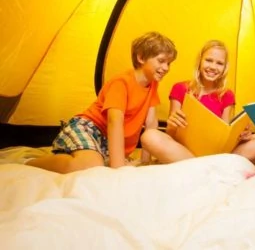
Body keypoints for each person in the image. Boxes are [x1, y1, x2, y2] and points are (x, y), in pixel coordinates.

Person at [26, 31, 181, 173]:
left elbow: (151, 124)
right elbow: (114, 122)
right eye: (161, 61)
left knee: (100, 164)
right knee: (91, 165)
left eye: (169, 63)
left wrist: (145, 161)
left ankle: (84, 155)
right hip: (89, 128)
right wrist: (118, 169)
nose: (166, 68)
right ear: (141, 57)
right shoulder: (122, 82)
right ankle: (32, 163)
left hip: (107, 141)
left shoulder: (152, 84)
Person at [140, 40, 255, 163]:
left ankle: (203, 167)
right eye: (209, 60)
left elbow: (223, 139)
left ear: (225, 67)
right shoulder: (180, 88)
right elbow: (171, 134)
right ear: (200, 61)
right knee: (149, 136)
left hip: (216, 155)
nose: (213, 67)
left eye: (219, 63)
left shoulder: (227, 95)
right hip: (183, 152)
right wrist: (173, 124)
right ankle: (204, 167)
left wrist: (240, 136)